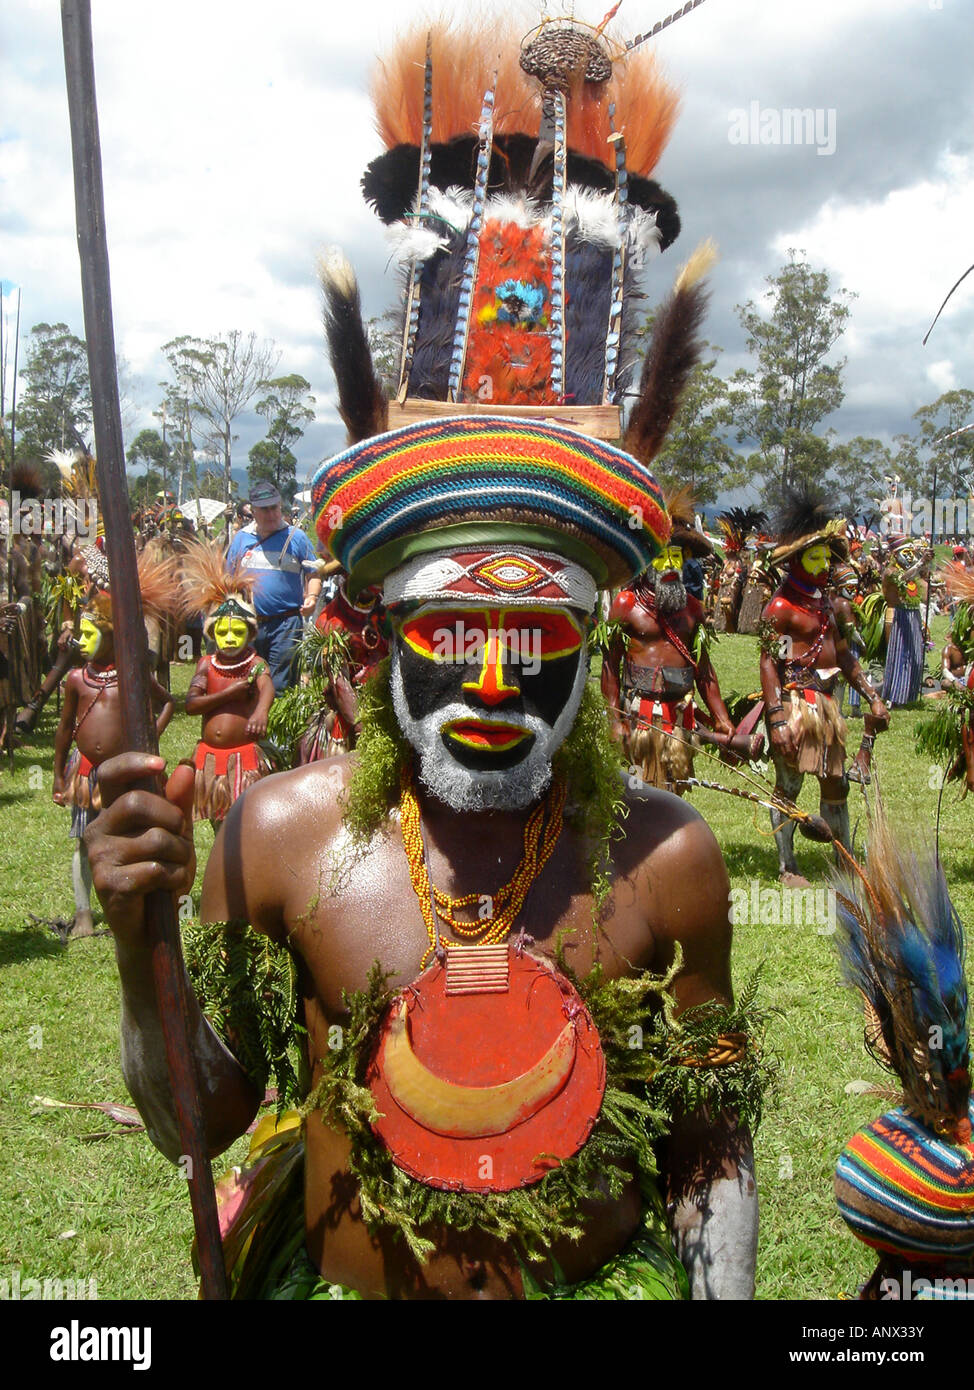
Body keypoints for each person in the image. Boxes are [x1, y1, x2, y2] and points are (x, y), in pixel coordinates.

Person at [759, 489, 889, 885]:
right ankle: (787, 865)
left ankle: (844, 859)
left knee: (836, 783)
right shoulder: (781, 608)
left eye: (825, 557)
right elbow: (769, 663)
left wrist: (872, 695)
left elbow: (846, 658)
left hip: (829, 708)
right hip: (796, 705)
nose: (822, 565)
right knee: (790, 784)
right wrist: (778, 718)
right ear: (796, 560)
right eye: (813, 557)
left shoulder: (829, 606)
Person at [52, 555, 176, 937]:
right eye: (81, 636)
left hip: (123, 770)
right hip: (85, 770)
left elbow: (167, 700)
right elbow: (63, 729)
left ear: (110, 636)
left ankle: (129, 903)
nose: (81, 643)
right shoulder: (76, 677)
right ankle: (84, 912)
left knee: (127, 835)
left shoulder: (131, 673)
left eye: (90, 636)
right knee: (83, 838)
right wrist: (58, 775)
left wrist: (149, 738)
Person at [602, 495, 734, 793]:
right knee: (639, 792)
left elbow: (703, 670)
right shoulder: (627, 604)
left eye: (676, 556)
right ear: (648, 561)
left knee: (677, 792)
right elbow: (610, 666)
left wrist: (722, 718)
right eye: (662, 556)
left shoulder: (692, 608)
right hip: (640, 714)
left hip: (679, 716)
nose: (670, 564)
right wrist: (615, 719)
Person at [179, 541, 276, 829]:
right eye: (223, 632)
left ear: (249, 634)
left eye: (237, 632)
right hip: (211, 758)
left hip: (243, 757)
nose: (230, 638)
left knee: (244, 821)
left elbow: (267, 685)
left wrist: (260, 712)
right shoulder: (206, 665)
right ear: (212, 634)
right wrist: (229, 694)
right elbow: (191, 705)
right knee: (217, 822)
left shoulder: (254, 662)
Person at [226, 481, 320, 694]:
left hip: (286, 624)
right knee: (249, 680)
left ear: (281, 506)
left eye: (274, 508)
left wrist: (312, 597)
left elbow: (314, 574)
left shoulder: (296, 537)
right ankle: (253, 725)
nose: (271, 514)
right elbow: (228, 579)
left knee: (281, 685)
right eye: (264, 509)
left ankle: (276, 726)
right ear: (253, 510)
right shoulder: (241, 539)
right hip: (249, 624)